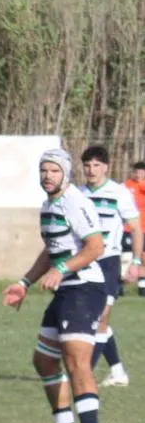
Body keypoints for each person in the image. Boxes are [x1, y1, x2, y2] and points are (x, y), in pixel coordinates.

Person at [5, 150, 106, 423]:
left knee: (77, 362)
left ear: (66, 173)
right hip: (66, 291)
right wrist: (24, 283)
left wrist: (61, 270)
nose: (47, 175)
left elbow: (96, 246)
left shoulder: (76, 202)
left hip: (85, 288)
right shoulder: (49, 205)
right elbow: (51, 251)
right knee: (44, 360)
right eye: (43, 170)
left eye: (53, 170)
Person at [77, 145, 137, 386]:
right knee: (93, 319)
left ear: (106, 167)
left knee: (101, 317)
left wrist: (137, 261)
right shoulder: (78, 194)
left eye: (96, 165)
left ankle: (85, 373)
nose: (91, 170)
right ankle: (118, 371)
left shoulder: (118, 192)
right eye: (87, 165)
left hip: (108, 261)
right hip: (84, 261)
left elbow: (136, 228)